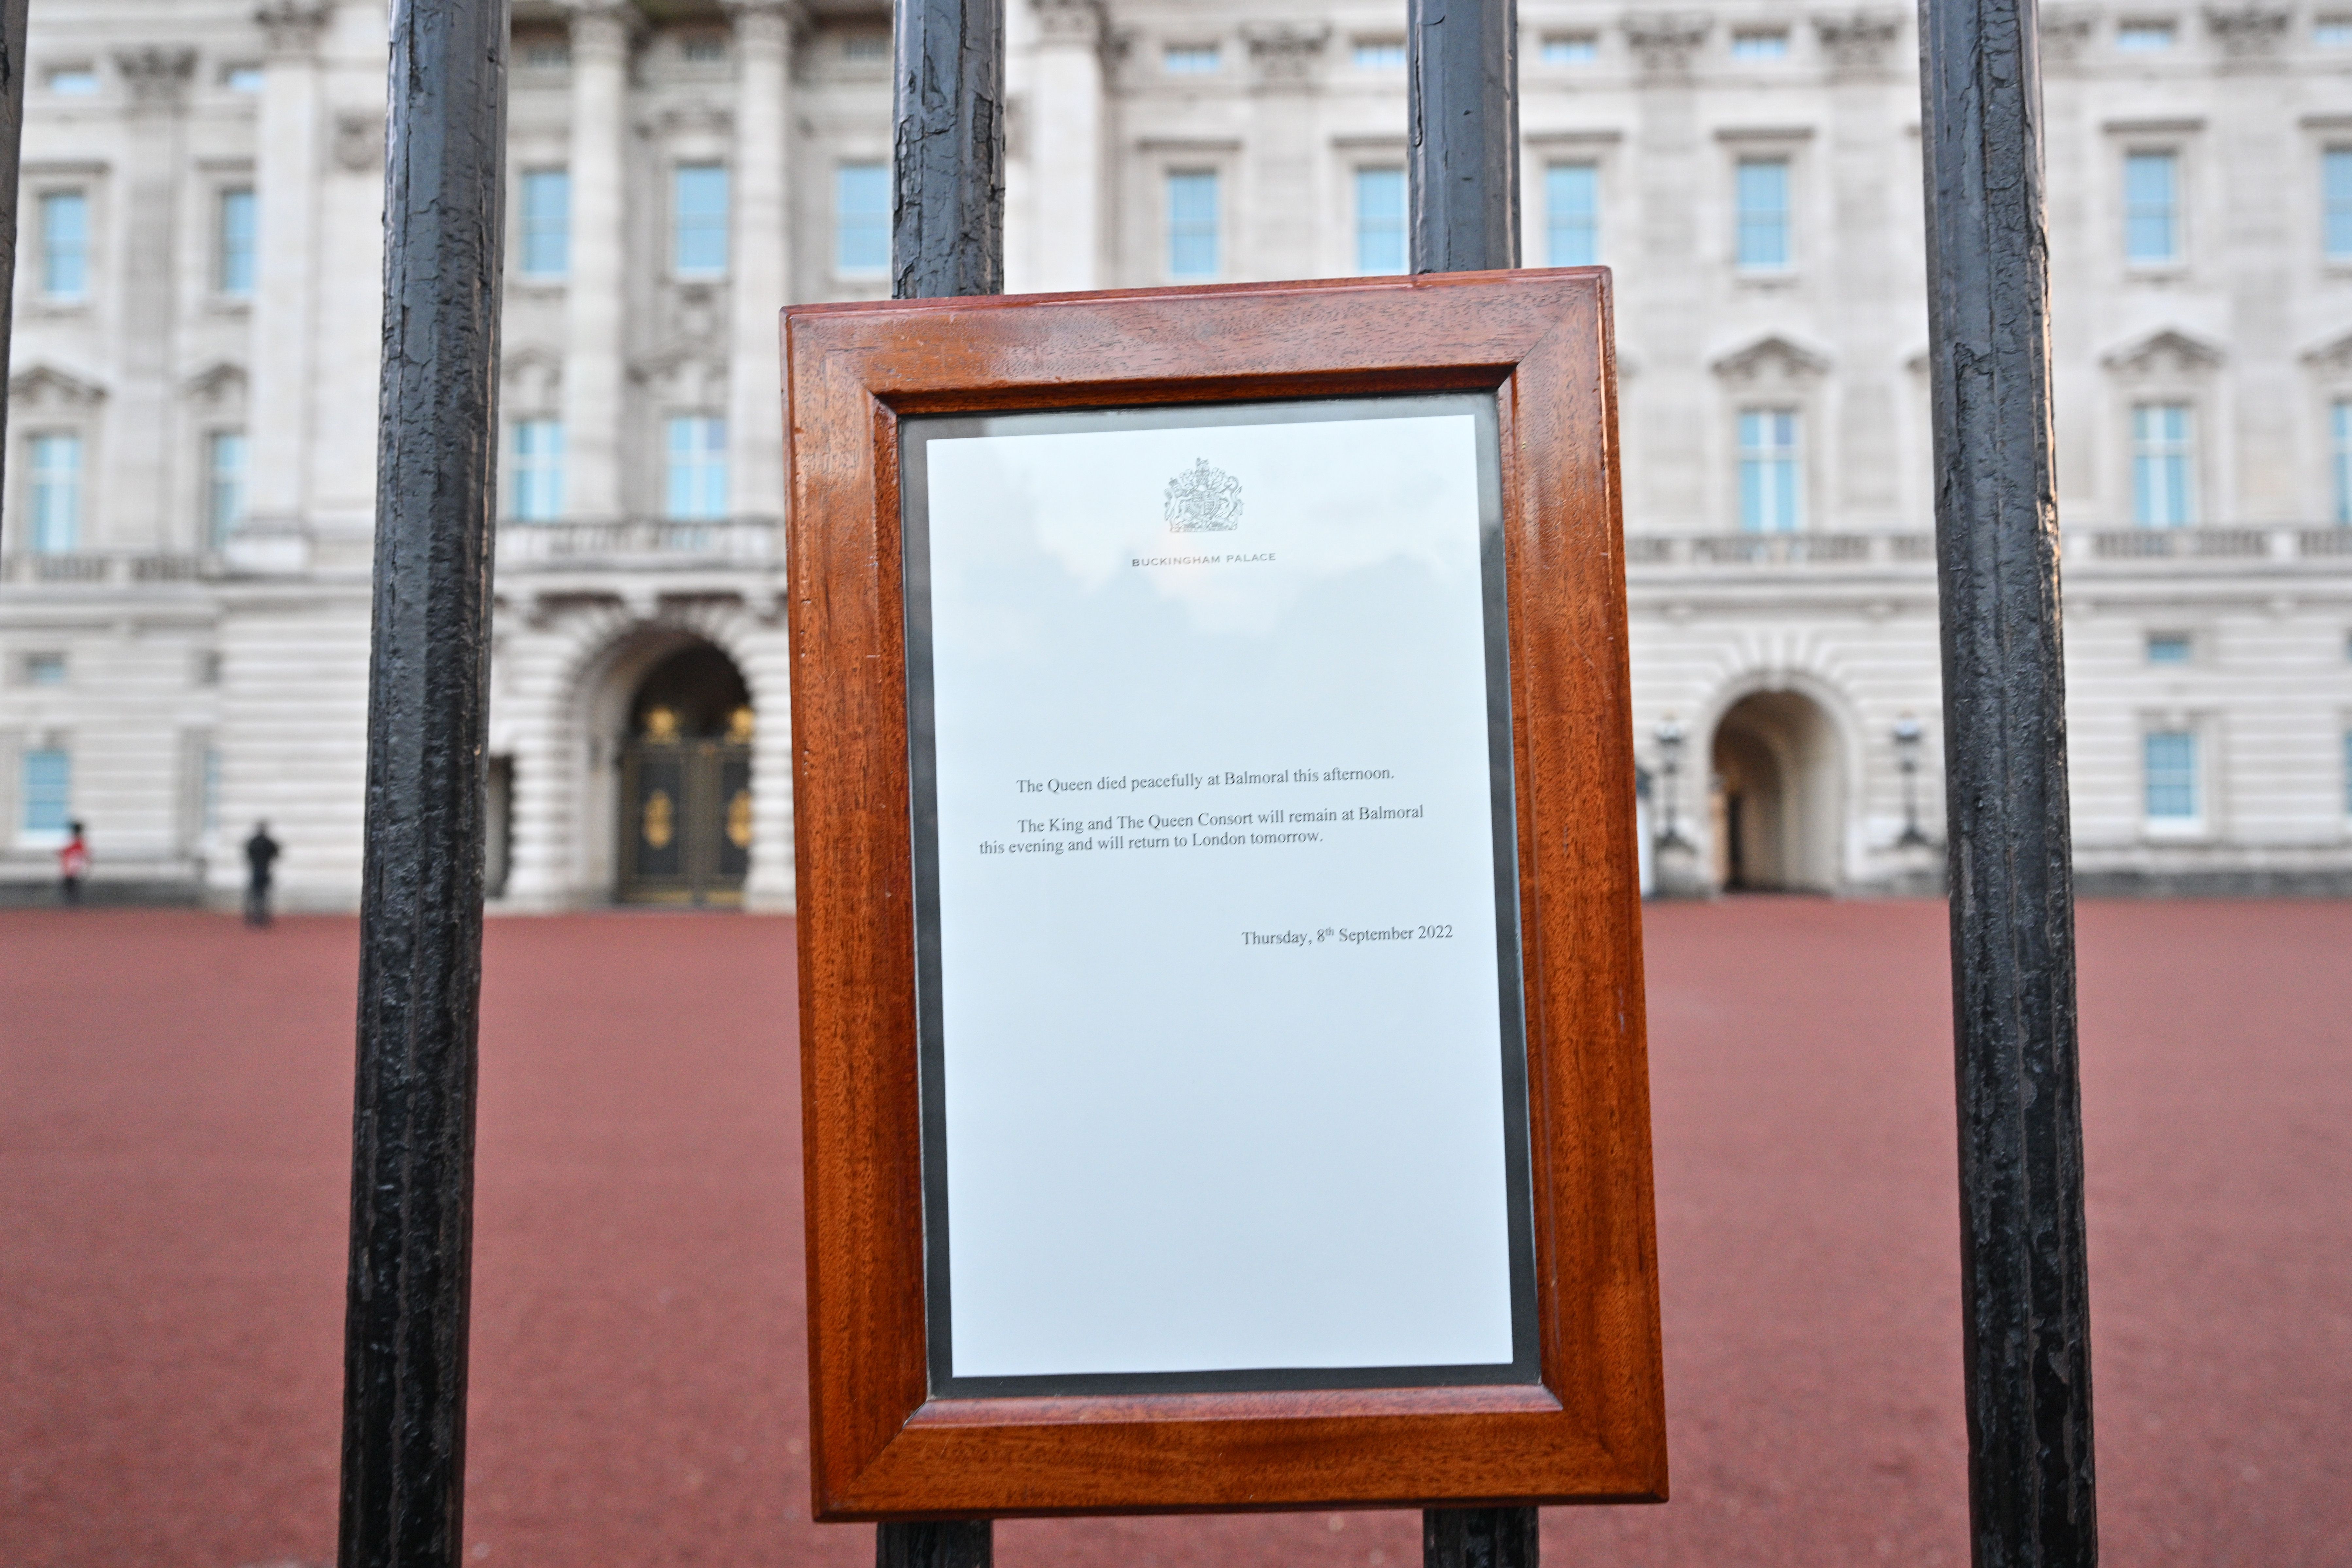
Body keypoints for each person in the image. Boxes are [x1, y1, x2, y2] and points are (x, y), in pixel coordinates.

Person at [244, 821, 281, 928]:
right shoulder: (269, 842)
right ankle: (261, 917)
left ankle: (254, 917)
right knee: (263, 896)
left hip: (257, 871)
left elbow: (248, 854)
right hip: (264, 870)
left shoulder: (253, 842)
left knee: (255, 895)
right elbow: (277, 854)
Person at [58, 822, 89, 907]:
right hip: (75, 866)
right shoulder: (78, 841)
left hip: (73, 866)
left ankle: (72, 903)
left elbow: (66, 851)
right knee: (73, 886)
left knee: (71, 886)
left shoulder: (74, 841)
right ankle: (73, 902)